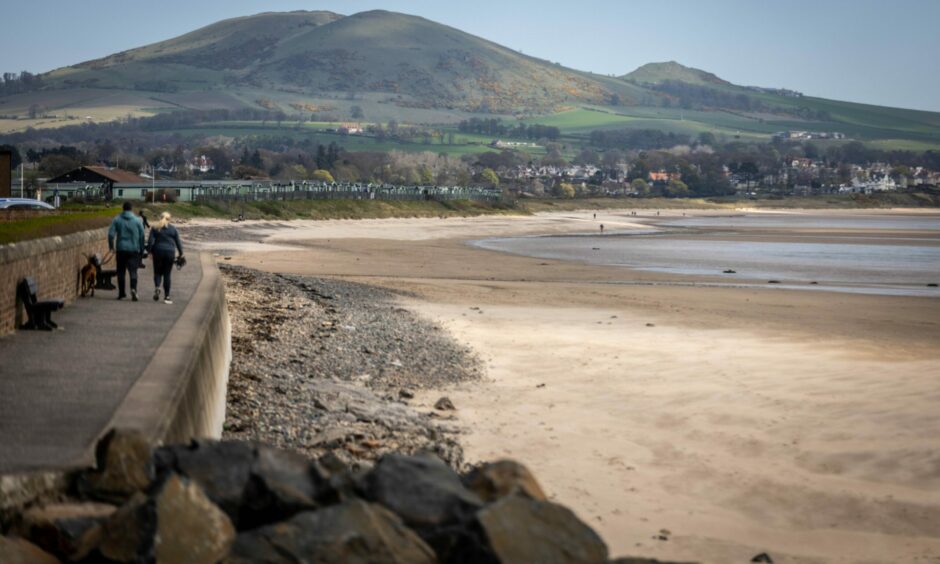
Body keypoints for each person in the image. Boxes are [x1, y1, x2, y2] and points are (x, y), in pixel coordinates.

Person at [108, 202, 145, 301]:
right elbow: (142, 236)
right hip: (134, 249)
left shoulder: (117, 219)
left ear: (122, 209)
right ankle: (133, 289)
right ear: (131, 209)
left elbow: (111, 235)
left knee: (121, 272)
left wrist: (111, 247)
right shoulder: (138, 220)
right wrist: (142, 249)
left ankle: (121, 293)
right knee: (133, 271)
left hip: (121, 249)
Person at [147, 211, 184, 304]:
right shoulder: (173, 229)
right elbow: (178, 243)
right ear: (169, 219)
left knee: (157, 272)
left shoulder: (155, 228)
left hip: (158, 252)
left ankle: (157, 287)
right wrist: (181, 253)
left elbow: (150, 241)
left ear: (160, 218)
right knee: (167, 274)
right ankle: (167, 297)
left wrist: (150, 252)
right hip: (170, 252)